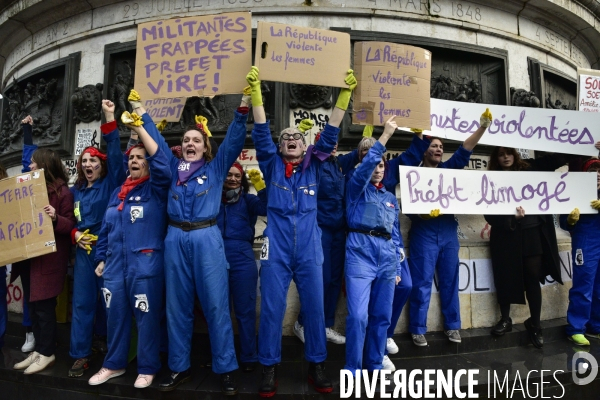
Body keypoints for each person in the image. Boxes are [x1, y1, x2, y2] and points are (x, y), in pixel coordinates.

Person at [126, 85, 250, 395]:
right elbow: (154, 144)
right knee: (177, 307)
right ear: (180, 148)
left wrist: (245, 103)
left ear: (205, 146)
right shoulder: (171, 168)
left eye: (196, 140)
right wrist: (140, 112)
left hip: (207, 238)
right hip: (174, 239)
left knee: (216, 306)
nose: (190, 143)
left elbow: (234, 142)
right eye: (185, 140)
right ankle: (179, 367)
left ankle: (225, 368)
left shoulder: (216, 169)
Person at [249, 66, 356, 397]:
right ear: (281, 149)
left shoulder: (316, 166)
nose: (292, 141)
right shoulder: (271, 164)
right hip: (276, 250)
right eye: (287, 139)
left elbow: (330, 133)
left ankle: (317, 366)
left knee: (315, 308)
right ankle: (269, 368)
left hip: (310, 249)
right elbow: (263, 131)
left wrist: (344, 96)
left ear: (305, 146)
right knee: (270, 308)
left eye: (297, 138)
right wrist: (255, 95)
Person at [88, 107, 171, 388]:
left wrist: (141, 123)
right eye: (131, 158)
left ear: (147, 163)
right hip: (113, 267)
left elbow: (162, 161)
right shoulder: (117, 191)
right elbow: (106, 228)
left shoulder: (157, 189)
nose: (134, 161)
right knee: (115, 318)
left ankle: (147, 368)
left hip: (144, 267)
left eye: (140, 157)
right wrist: (101, 257)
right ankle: (114, 365)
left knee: (146, 320)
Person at [408, 109, 492, 347]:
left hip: (447, 232)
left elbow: (465, 149)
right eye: (433, 145)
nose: (438, 149)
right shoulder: (413, 173)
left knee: (450, 280)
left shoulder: (449, 169)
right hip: (423, 233)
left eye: (441, 146)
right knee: (421, 281)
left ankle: (453, 326)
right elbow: (406, 205)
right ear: (424, 149)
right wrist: (422, 212)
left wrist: (482, 127)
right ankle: (417, 328)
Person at [484, 147, 568, 348]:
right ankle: (505, 319)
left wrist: (586, 147)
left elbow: (555, 159)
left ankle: (535, 323)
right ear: (496, 158)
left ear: (515, 155)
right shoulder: (490, 179)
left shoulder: (530, 168)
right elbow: (488, 213)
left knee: (532, 276)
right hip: (506, 235)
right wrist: (511, 219)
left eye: (509, 153)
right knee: (505, 275)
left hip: (532, 233)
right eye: (501, 154)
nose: (505, 157)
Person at [68, 100, 126, 378]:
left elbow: (115, 154)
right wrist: (74, 233)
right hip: (82, 253)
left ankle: (107, 344)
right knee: (82, 302)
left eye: (93, 160)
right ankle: (80, 354)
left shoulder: (112, 182)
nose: (88, 163)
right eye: (84, 161)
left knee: (109, 301)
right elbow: (66, 219)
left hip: (109, 251)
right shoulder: (76, 190)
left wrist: (109, 117)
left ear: (101, 166)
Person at [13, 121, 76, 374]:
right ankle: (39, 349)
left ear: (45, 166)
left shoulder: (63, 193)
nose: (30, 166)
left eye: (34, 163)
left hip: (49, 261)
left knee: (44, 308)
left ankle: (47, 352)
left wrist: (55, 218)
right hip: (31, 259)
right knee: (32, 305)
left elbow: (70, 223)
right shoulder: (30, 188)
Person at [344, 116, 404, 374]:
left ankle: (374, 363)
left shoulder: (390, 197)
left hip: (388, 259)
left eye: (382, 165)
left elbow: (396, 234)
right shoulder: (356, 187)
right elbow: (366, 164)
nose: (377, 169)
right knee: (358, 316)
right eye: (374, 165)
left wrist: (398, 269)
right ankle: (353, 367)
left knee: (381, 317)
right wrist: (385, 136)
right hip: (360, 253)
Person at [293, 119, 359, 346]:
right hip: (320, 230)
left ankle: (326, 324)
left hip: (339, 231)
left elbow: (364, 155)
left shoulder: (339, 164)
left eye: (335, 144)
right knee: (319, 279)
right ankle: (303, 323)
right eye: (327, 143)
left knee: (333, 280)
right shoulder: (312, 164)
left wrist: (373, 137)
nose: (333, 147)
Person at [216, 162, 267, 372]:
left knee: (245, 310)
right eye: (229, 175)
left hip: (243, 256)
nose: (233, 179)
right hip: (215, 256)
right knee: (220, 310)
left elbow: (268, 206)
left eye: (237, 176)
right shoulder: (212, 200)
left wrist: (261, 186)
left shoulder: (248, 200)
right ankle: (222, 355)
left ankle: (249, 357)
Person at [561, 158, 600, 346]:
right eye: (593, 171)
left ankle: (596, 326)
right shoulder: (575, 193)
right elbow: (562, 222)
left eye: (599, 171)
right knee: (583, 285)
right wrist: (570, 220)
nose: (597, 175)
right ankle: (576, 328)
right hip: (585, 242)